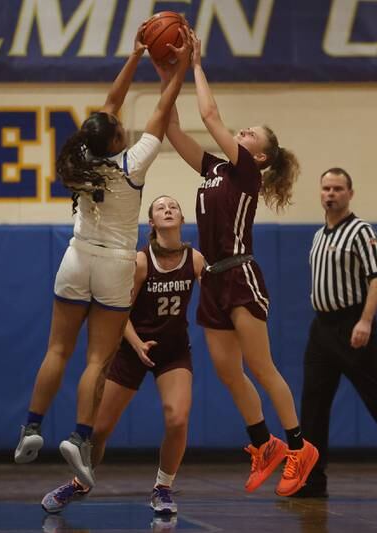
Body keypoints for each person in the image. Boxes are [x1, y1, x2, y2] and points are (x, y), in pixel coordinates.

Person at [13, 25, 192, 491]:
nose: (121, 122)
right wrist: (182, 67)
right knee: (98, 357)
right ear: (117, 139)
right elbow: (161, 108)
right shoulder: (132, 164)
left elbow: (109, 105)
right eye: (119, 127)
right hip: (114, 263)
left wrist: (133, 57)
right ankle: (79, 435)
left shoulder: (83, 157)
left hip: (76, 258)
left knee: (56, 350)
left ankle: (31, 427)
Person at [152, 30, 318, 497]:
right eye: (241, 131)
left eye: (249, 134)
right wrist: (169, 77)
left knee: (262, 367)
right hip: (213, 280)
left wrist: (196, 66)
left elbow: (208, 114)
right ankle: (263, 445)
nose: (240, 133)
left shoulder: (245, 170)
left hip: (241, 273)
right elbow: (172, 129)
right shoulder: (213, 169)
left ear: (259, 154)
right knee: (227, 371)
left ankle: (300, 446)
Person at [41, 195, 204, 515]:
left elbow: (216, 299)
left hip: (173, 352)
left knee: (178, 418)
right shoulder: (140, 261)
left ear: (182, 219)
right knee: (99, 430)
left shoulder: (195, 259)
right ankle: (79, 483)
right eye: (161, 207)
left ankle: (163, 487)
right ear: (152, 223)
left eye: (173, 206)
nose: (168, 209)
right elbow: (119, 312)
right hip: (132, 349)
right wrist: (138, 343)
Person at [294, 167, 377, 499]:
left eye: (338, 188)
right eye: (326, 188)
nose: (331, 194)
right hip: (321, 328)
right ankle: (313, 479)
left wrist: (365, 321)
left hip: (351, 324)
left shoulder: (360, 231)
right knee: (313, 406)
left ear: (350, 194)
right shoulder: (319, 235)